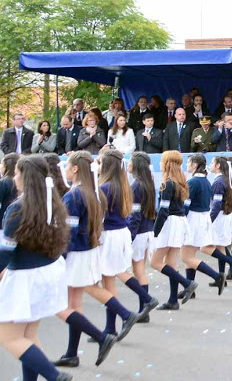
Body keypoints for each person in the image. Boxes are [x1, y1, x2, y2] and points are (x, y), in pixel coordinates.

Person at [54, 152, 137, 368]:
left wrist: (59, 257)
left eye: (67, 166)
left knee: (66, 305)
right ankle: (72, 353)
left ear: (74, 169)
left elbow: (69, 232)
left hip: (77, 253)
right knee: (74, 304)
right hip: (88, 250)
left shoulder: (74, 196)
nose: (64, 170)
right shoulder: (93, 192)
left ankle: (107, 331)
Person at [0, 155, 75, 381]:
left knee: (9, 338)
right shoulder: (51, 202)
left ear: (25, 177)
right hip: (47, 272)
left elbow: (5, 252)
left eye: (16, 173)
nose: (13, 177)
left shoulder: (18, 209)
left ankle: (55, 376)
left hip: (25, 277)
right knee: (28, 334)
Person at [96, 149, 153, 337]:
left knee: (109, 280)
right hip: (119, 232)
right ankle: (111, 327)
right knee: (116, 274)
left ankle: (114, 325)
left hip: (110, 234)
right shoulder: (123, 185)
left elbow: (100, 216)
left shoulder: (105, 188)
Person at [151, 151, 198, 310]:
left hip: (169, 223)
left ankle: (187, 283)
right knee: (171, 262)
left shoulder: (167, 183)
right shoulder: (181, 181)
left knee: (155, 262)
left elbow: (163, 210)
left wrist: (155, 232)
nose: (159, 164)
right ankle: (173, 300)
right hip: (179, 221)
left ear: (167, 163)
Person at [181, 154, 228, 296]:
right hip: (201, 218)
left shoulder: (193, 182)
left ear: (195, 165)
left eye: (188, 163)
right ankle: (190, 288)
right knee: (190, 255)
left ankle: (216, 276)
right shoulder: (206, 181)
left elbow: (186, 205)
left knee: (186, 257)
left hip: (193, 220)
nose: (187, 165)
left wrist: (181, 218)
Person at [126, 152, 159, 322]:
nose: (128, 164)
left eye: (130, 161)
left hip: (138, 233)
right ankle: (143, 308)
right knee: (141, 270)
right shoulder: (148, 184)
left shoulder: (136, 186)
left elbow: (135, 215)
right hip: (147, 231)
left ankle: (144, 306)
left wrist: (129, 236)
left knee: (138, 270)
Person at [207, 156, 232, 282]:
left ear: (218, 166)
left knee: (212, 246)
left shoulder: (219, 182)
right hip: (227, 213)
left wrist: (209, 220)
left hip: (221, 215)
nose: (209, 165)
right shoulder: (228, 179)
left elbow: (216, 204)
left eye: (212, 163)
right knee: (222, 245)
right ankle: (221, 276)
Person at [0, 153, 19, 228]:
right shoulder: (20, 182)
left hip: (3, 222)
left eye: (1, 164)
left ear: (6, 167)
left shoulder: (4, 182)